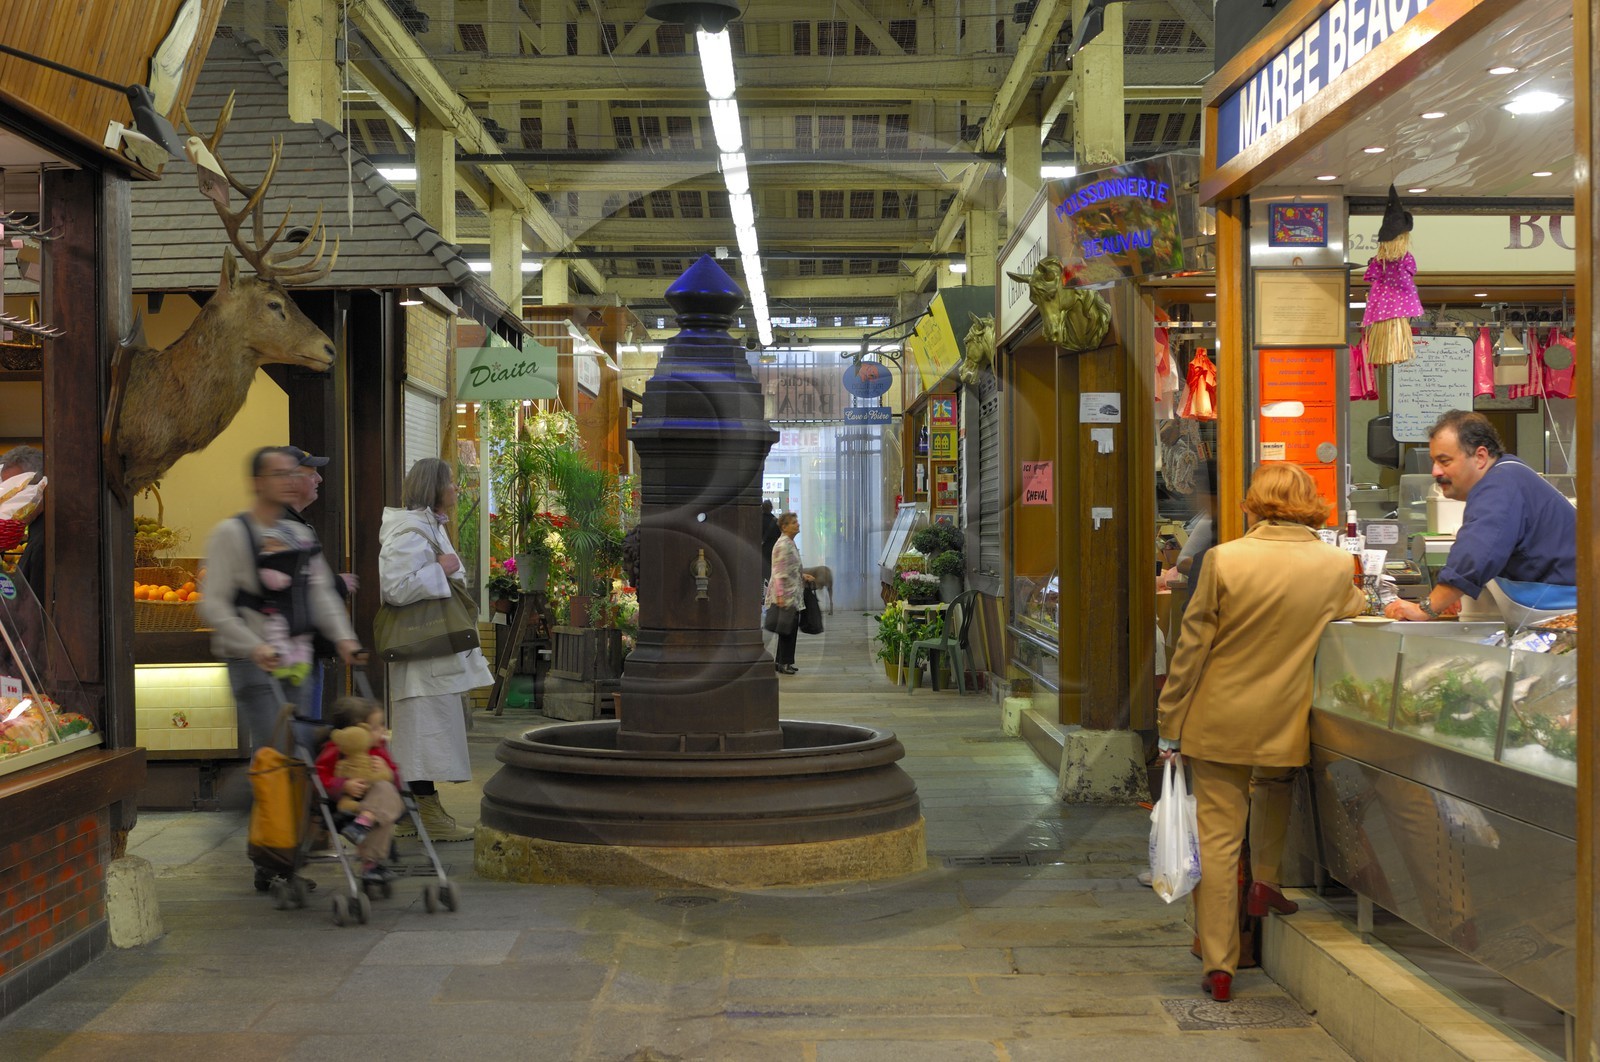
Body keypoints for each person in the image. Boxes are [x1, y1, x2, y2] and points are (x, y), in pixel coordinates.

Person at [1157, 463, 1365, 1003]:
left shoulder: (1225, 559)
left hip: (1218, 718)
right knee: (1274, 785)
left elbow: (1192, 646)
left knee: (1218, 843)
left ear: (1252, 504)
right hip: (1283, 719)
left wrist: (1169, 722)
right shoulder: (1336, 565)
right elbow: (1356, 612)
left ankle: (1220, 965)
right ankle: (1266, 882)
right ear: (1312, 505)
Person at [198, 447, 362, 753]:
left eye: (292, 473)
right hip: (251, 661)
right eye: (279, 474)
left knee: (296, 754)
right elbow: (214, 603)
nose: (288, 480)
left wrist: (343, 637)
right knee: (281, 751)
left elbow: (320, 592)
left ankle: (276, 782)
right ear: (258, 482)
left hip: (296, 658)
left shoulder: (300, 533)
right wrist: (254, 646)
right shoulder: (230, 533)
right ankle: (261, 784)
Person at [378, 457, 492, 842]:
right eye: (450, 482)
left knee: (425, 733)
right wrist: (439, 569)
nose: (456, 488)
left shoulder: (429, 526)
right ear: (433, 488)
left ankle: (406, 815)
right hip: (422, 654)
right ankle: (428, 815)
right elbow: (395, 588)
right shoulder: (409, 531)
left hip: (431, 654)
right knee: (422, 735)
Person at [1386, 410, 1576, 622]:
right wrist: (1449, 594)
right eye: (1434, 462)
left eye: (1444, 461)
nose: (1435, 472)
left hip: (1568, 611)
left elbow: (1477, 551)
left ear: (1480, 457)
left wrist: (1427, 608)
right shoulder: (1507, 473)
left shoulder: (1499, 484)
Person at [281, 445, 357, 714]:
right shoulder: (281, 528)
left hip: (301, 651)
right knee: (295, 731)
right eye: (311, 472)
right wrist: (337, 584)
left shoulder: (294, 524)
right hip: (291, 655)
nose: (319, 478)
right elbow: (291, 587)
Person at [315, 695, 404, 885]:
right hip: (349, 805)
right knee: (385, 806)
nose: (382, 731)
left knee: (385, 791)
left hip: (376, 804)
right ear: (357, 730)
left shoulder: (379, 750)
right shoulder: (336, 750)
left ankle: (369, 857)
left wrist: (387, 771)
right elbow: (321, 777)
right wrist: (343, 785)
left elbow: (397, 780)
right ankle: (370, 861)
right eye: (376, 727)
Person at [764, 511, 813, 675]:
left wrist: (802, 575)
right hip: (786, 595)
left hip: (792, 593)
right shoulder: (783, 545)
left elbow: (790, 567)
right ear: (784, 527)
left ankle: (781, 662)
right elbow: (778, 572)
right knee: (788, 630)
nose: (797, 524)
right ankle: (784, 663)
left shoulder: (789, 543)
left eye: (796, 522)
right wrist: (780, 596)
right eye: (793, 522)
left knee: (787, 629)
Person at [0, 445, 46, 601]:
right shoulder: (35, 533)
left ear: (41, 487)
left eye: (16, 493)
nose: (10, 503)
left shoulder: (44, 542)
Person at [760, 500, 780, 584]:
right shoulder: (776, 521)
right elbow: (779, 536)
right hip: (773, 550)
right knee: (771, 574)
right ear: (771, 508)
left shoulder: (757, 520)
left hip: (760, 550)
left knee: (761, 574)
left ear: (762, 508)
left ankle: (761, 591)